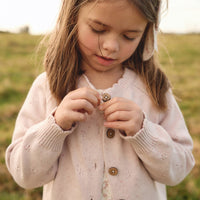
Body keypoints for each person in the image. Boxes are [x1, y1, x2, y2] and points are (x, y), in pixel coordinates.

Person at [5, 0, 195, 199]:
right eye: (98, 29)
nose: (111, 46)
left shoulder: (154, 89)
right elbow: (23, 174)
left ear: (147, 34)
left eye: (129, 36)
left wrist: (144, 132)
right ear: (72, 19)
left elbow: (179, 169)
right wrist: (55, 126)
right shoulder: (48, 87)